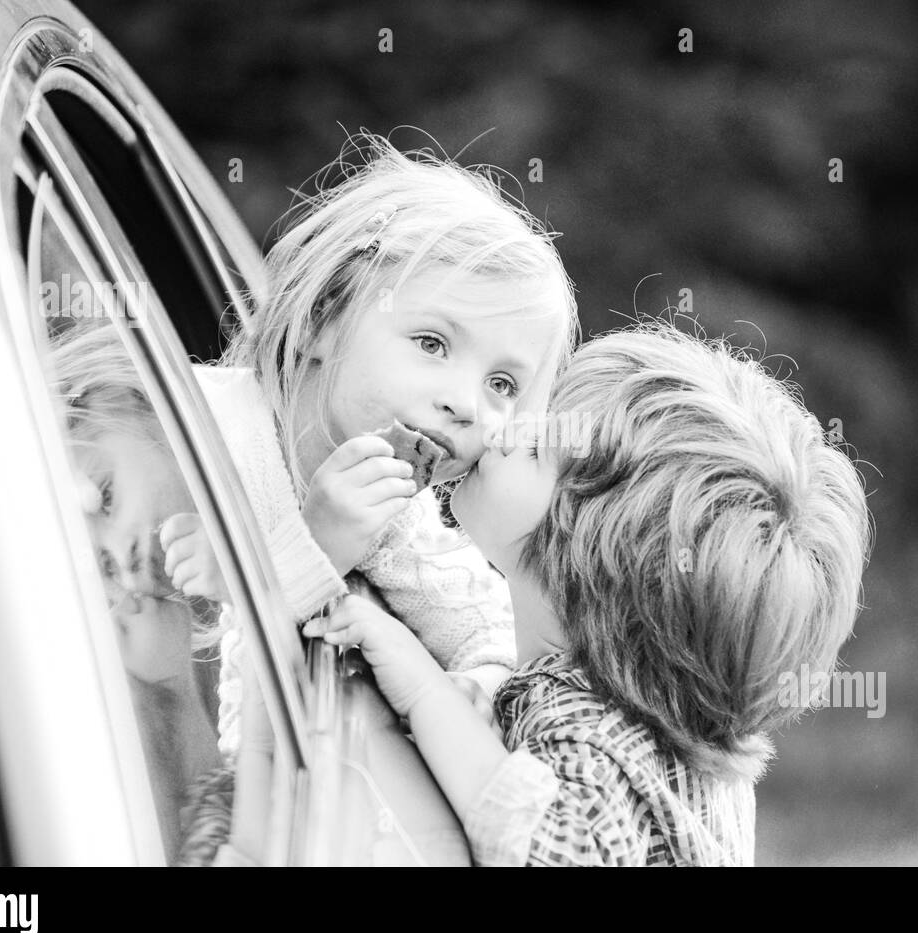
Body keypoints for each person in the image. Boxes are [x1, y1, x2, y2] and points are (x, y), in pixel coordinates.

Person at [309, 322, 873, 865]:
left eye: (537, 449)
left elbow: (550, 848)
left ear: (591, 560)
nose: (506, 428)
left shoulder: (587, 729)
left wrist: (425, 694)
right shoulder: (656, 732)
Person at [178, 134, 579, 758]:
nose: (466, 403)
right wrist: (318, 545)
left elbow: (492, 632)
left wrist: (476, 688)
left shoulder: (399, 525)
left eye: (502, 384)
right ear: (321, 318)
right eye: (431, 343)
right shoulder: (195, 424)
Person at [49, 323, 222, 863]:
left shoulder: (290, 472)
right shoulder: (185, 644)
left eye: (104, 496)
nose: (122, 562)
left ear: (121, 397)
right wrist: (174, 690)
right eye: (101, 568)